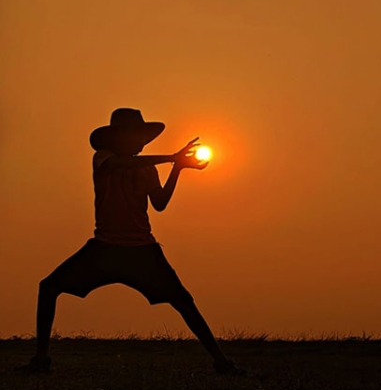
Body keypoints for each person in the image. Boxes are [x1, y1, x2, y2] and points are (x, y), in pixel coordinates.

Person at [23, 108, 241, 375]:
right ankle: (42, 360)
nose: (141, 142)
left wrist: (178, 169)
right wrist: (171, 158)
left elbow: (159, 203)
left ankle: (221, 361)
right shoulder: (103, 158)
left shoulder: (148, 167)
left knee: (183, 300)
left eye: (142, 136)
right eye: (135, 136)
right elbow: (120, 165)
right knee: (49, 287)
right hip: (105, 247)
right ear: (119, 138)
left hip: (142, 250)